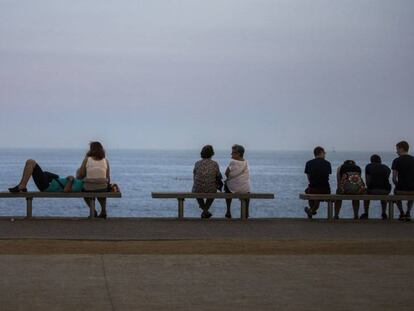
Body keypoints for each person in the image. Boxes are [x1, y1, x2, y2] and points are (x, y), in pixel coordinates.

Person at [77, 142, 110, 219]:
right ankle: (103, 211)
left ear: (91, 150)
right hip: (102, 187)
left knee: (84, 191)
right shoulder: (106, 161)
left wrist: (78, 173)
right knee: (102, 191)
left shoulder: (87, 160)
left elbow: (81, 174)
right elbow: (108, 176)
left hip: (88, 187)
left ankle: (93, 211)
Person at [8, 159, 83, 193]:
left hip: (47, 186)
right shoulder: (77, 181)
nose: (77, 171)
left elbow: (66, 191)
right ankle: (22, 185)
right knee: (30, 162)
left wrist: (71, 179)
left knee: (30, 162)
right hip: (48, 183)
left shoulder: (79, 184)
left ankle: (22, 186)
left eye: (78, 171)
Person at [192, 145, 223, 219]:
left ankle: (204, 211)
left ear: (202, 153)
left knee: (196, 191)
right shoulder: (215, 164)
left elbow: (194, 175)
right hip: (211, 189)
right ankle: (205, 211)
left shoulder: (197, 163)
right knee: (213, 192)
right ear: (212, 153)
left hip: (198, 189)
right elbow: (218, 176)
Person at [304, 146, 332, 219]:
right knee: (314, 196)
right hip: (325, 190)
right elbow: (326, 176)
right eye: (324, 153)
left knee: (309, 191)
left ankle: (311, 211)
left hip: (313, 189)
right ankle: (312, 210)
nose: (325, 155)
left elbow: (309, 177)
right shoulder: (327, 163)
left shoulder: (308, 163)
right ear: (321, 153)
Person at [224, 144, 251, 219]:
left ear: (238, 154)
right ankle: (247, 212)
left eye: (233, 152)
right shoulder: (246, 163)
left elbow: (226, 173)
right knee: (247, 192)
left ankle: (228, 211)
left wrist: (229, 178)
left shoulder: (232, 162)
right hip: (245, 189)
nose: (231, 154)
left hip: (233, 188)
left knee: (226, 185)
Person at [361, 155, 391, 220]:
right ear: (380, 160)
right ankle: (384, 213)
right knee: (383, 194)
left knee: (366, 193)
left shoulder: (368, 166)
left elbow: (367, 182)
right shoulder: (386, 168)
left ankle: (366, 213)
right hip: (386, 190)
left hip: (373, 190)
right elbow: (385, 180)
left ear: (371, 161)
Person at [392, 141, 414, 221]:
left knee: (395, 192)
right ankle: (408, 213)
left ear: (401, 148)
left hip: (400, 189)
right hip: (412, 189)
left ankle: (402, 213)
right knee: (412, 193)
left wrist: (397, 185)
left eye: (397, 149)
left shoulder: (396, 161)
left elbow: (394, 178)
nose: (396, 151)